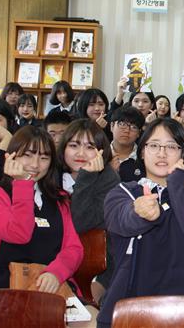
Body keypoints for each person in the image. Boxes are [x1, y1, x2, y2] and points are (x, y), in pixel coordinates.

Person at [97, 118, 184, 328]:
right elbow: (122, 221)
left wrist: (175, 188)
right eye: (154, 145)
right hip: (134, 296)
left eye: (172, 146)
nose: (162, 153)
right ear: (142, 151)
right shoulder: (124, 192)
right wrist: (140, 213)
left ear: (183, 155)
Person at [0, 126, 83, 293]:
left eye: (44, 157)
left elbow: (74, 248)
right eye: (28, 155)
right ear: (10, 156)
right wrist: (23, 184)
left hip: (52, 289)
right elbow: (19, 233)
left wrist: (56, 273)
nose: (35, 164)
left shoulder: (60, 199)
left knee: (96, 318)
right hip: (2, 293)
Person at [57, 118, 120, 304]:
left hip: (99, 268)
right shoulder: (50, 175)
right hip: (52, 262)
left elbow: (80, 223)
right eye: (74, 145)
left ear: (102, 151)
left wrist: (86, 177)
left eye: (90, 147)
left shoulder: (109, 179)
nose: (81, 153)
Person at [108, 106, 145, 182]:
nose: (127, 130)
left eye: (133, 127)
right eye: (122, 124)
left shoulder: (145, 158)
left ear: (139, 133)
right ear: (111, 126)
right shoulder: (100, 155)